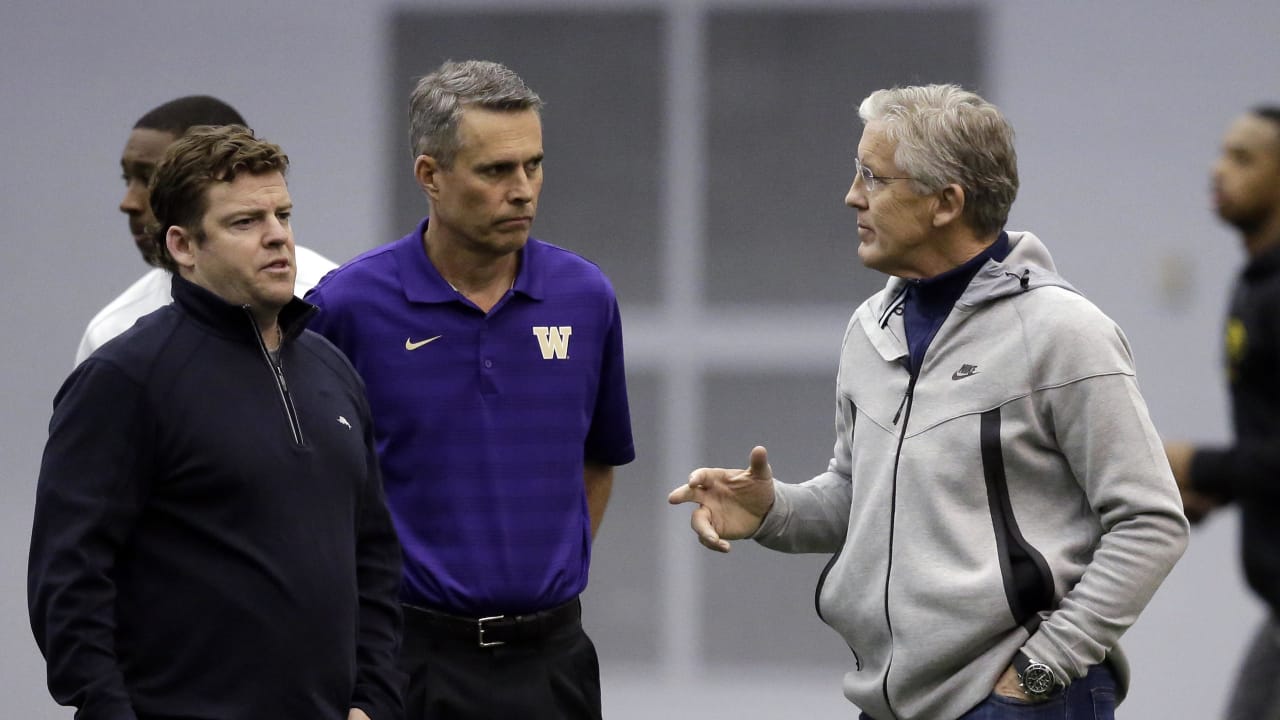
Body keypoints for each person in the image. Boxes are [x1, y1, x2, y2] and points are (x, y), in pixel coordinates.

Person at [668, 84, 1189, 720]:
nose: (852, 196)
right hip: (890, 702)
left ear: (946, 203)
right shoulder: (871, 325)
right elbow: (858, 497)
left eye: (872, 176)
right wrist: (773, 511)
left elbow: (1150, 520)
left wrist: (1043, 668)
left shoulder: (1065, 334)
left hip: (1019, 700)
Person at [29, 125, 403, 719]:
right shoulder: (125, 378)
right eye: (245, 222)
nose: (278, 236)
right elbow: (68, 581)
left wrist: (375, 704)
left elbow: (375, 557)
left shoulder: (332, 369)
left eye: (282, 214)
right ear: (183, 246)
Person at [305, 59, 634, 719]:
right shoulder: (348, 306)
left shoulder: (585, 297)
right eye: (495, 171)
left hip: (553, 662)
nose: (523, 191)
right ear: (430, 175)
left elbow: (596, 463)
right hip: (406, 663)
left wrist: (533, 579)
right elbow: (310, 491)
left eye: (533, 165)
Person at [1165, 106, 1280, 720]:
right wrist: (1215, 486)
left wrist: (1195, 460)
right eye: (1221, 152)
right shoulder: (1254, 283)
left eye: (1243, 158)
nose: (1218, 169)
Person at [75, 95, 336, 365]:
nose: (128, 202)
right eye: (128, 179)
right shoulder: (113, 333)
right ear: (181, 244)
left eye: (150, 178)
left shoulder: (334, 302)